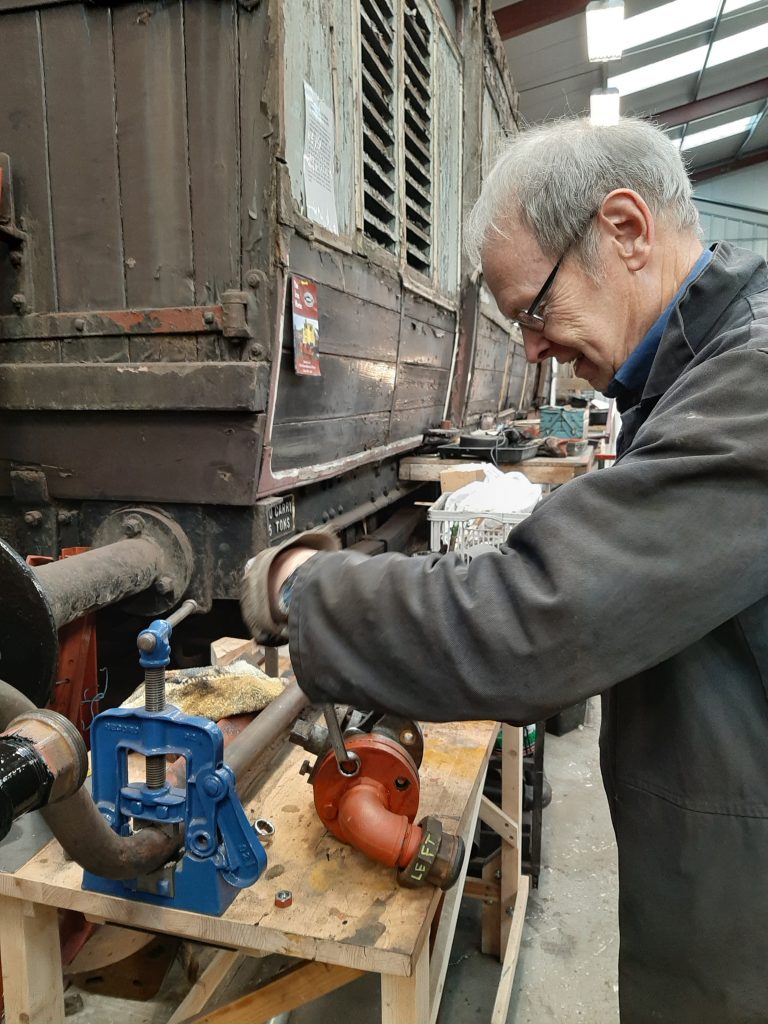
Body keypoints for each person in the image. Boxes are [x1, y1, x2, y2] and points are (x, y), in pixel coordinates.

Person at [242, 117, 768, 1023]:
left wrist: (304, 586)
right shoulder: (690, 378)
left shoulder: (750, 384)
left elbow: (537, 621)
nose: (529, 350)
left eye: (534, 309)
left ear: (627, 231)